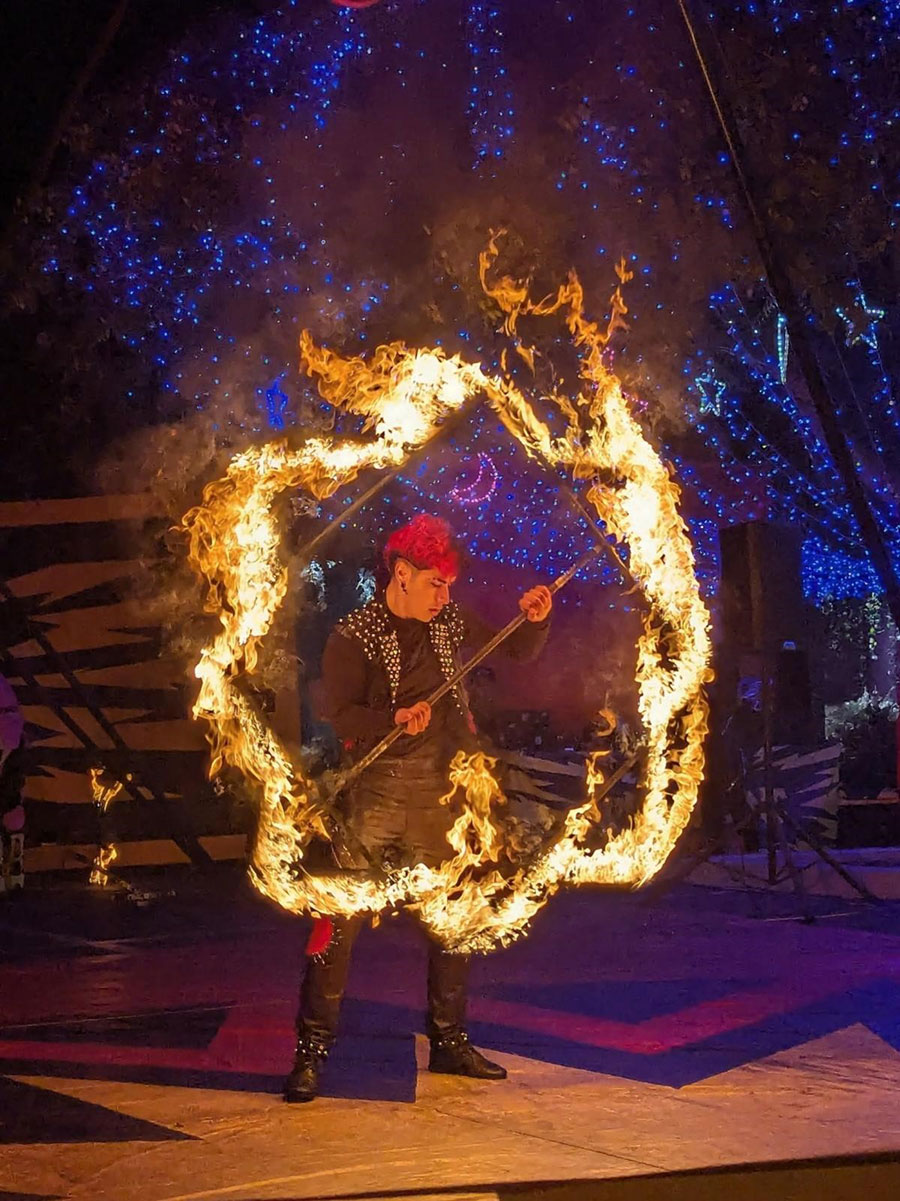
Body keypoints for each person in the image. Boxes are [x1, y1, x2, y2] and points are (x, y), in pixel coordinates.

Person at [285, 514, 552, 1102]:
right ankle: (310, 1054)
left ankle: (450, 1040)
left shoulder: (450, 621)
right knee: (337, 925)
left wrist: (534, 620)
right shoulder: (352, 634)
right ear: (402, 574)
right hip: (373, 798)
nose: (444, 596)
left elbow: (514, 649)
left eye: (449, 585)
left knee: (454, 919)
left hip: (441, 796)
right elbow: (339, 714)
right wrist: (392, 721)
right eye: (435, 583)